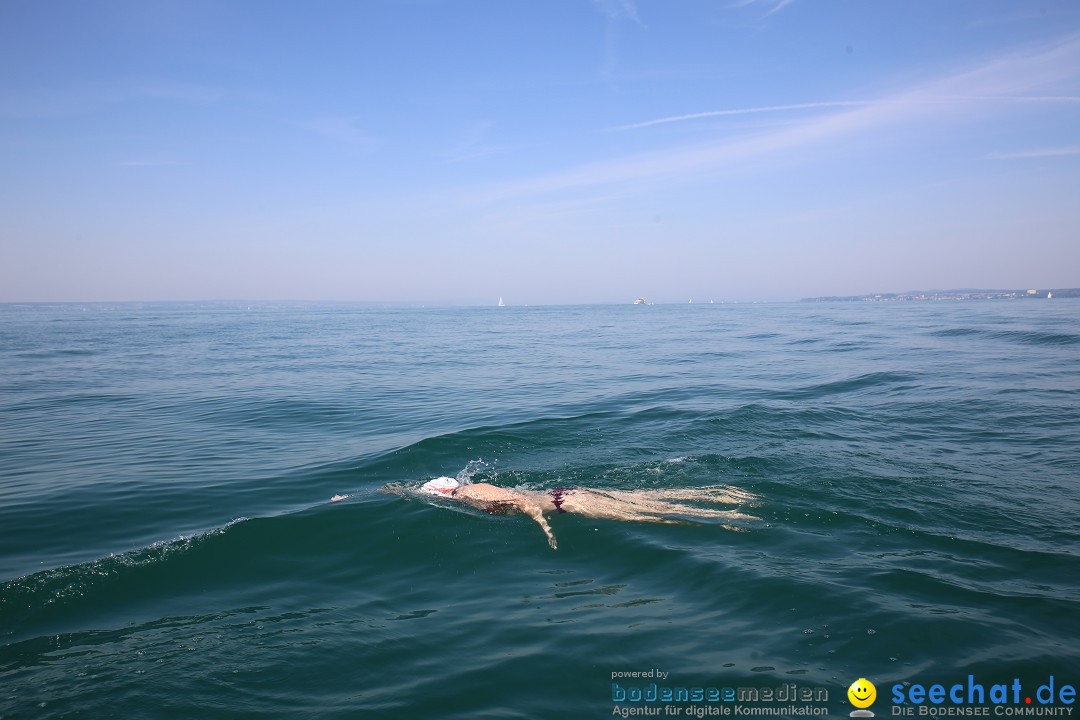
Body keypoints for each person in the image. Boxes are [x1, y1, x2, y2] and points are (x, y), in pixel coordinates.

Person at [416, 477, 757, 549]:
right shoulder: (469, 489)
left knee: (648, 514)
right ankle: (723, 494)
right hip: (568, 496)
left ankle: (730, 520)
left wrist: (544, 528)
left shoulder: (470, 493)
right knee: (649, 499)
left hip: (570, 504)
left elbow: (522, 502)